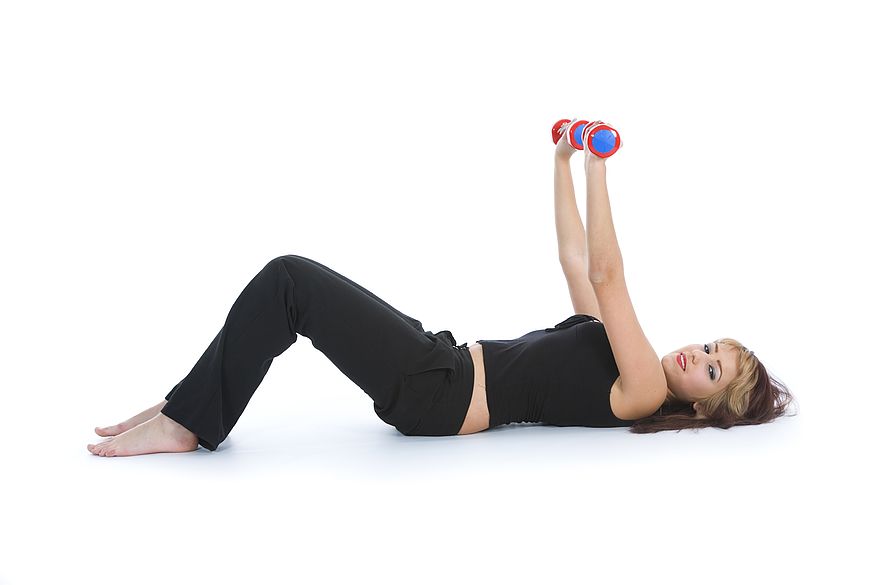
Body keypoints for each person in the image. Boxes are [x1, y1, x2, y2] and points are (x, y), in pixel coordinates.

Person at [88, 120, 794, 457]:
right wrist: (563, 158)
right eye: (710, 346)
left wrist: (602, 171)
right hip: (443, 361)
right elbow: (577, 262)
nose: (694, 357)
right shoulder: (628, 356)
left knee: (290, 280)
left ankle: (189, 421)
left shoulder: (642, 389)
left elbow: (609, 275)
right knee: (290, 286)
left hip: (441, 390)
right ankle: (189, 403)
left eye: (711, 371)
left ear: (705, 409)